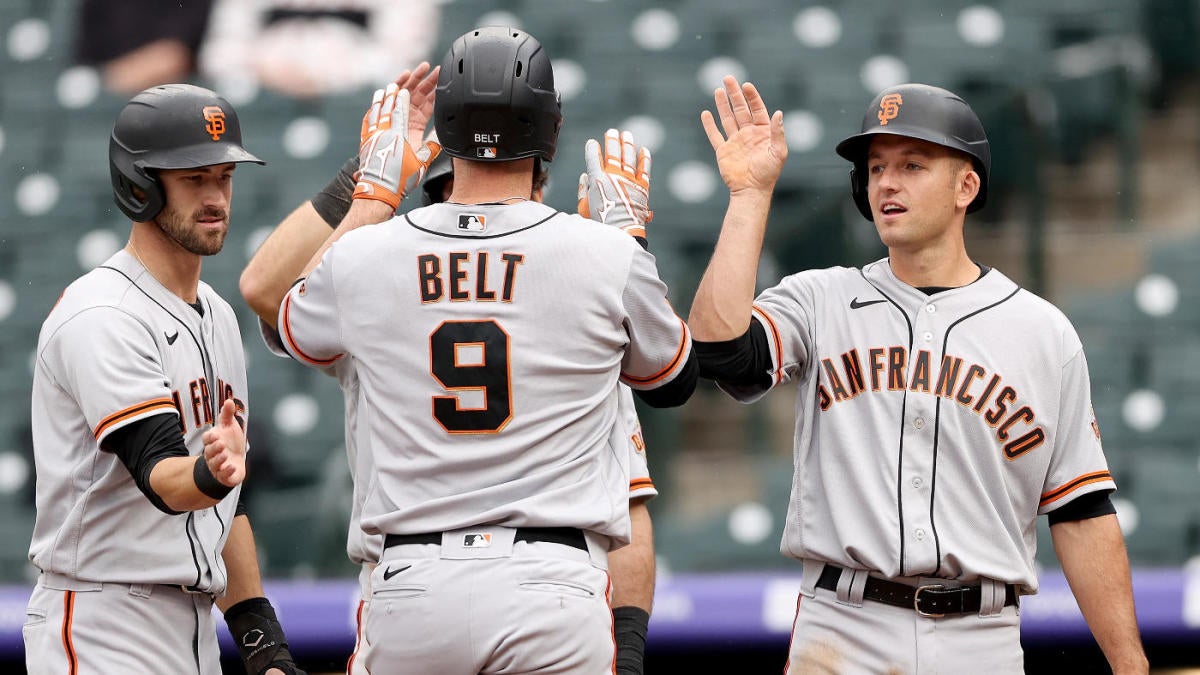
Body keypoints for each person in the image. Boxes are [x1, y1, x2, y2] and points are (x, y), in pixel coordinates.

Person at [688, 79, 1148, 674]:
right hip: (843, 625)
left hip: (980, 636)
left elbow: (1081, 510)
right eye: (876, 168)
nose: (886, 182)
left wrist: (1130, 664)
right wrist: (750, 197)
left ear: (967, 185)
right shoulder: (820, 299)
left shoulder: (1042, 331)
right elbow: (720, 351)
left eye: (912, 164)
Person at [274, 26, 696, 673]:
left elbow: (290, 323)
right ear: (549, 131)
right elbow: (673, 378)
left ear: (443, 126)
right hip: (550, 580)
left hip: (411, 583)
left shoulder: (365, 255)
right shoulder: (602, 254)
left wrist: (372, 196)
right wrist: (628, 240)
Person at [23, 84, 304, 675]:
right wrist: (212, 470)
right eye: (193, 178)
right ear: (140, 184)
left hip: (190, 625)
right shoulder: (102, 313)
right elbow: (165, 478)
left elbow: (222, 504)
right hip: (103, 619)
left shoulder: (219, 316)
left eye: (224, 176)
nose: (216, 197)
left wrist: (261, 641)